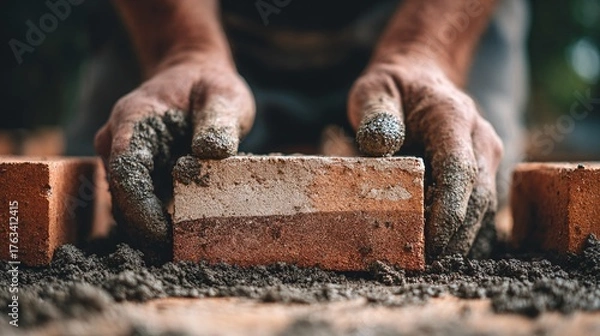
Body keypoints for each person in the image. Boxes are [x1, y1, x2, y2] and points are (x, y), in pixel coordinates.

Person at [86, 0, 529, 258]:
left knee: (471, 190)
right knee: (113, 184)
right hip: (216, 17)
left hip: (424, 13)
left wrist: (427, 52)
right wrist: (181, 50)